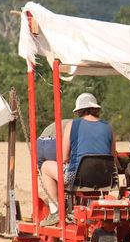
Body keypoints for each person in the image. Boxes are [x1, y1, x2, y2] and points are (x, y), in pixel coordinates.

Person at [39, 93, 114, 226]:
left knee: (45, 167)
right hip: (105, 179)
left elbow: (64, 157)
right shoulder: (108, 127)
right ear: (96, 108)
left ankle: (56, 210)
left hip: (78, 178)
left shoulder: (73, 125)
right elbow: (112, 155)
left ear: (79, 110)